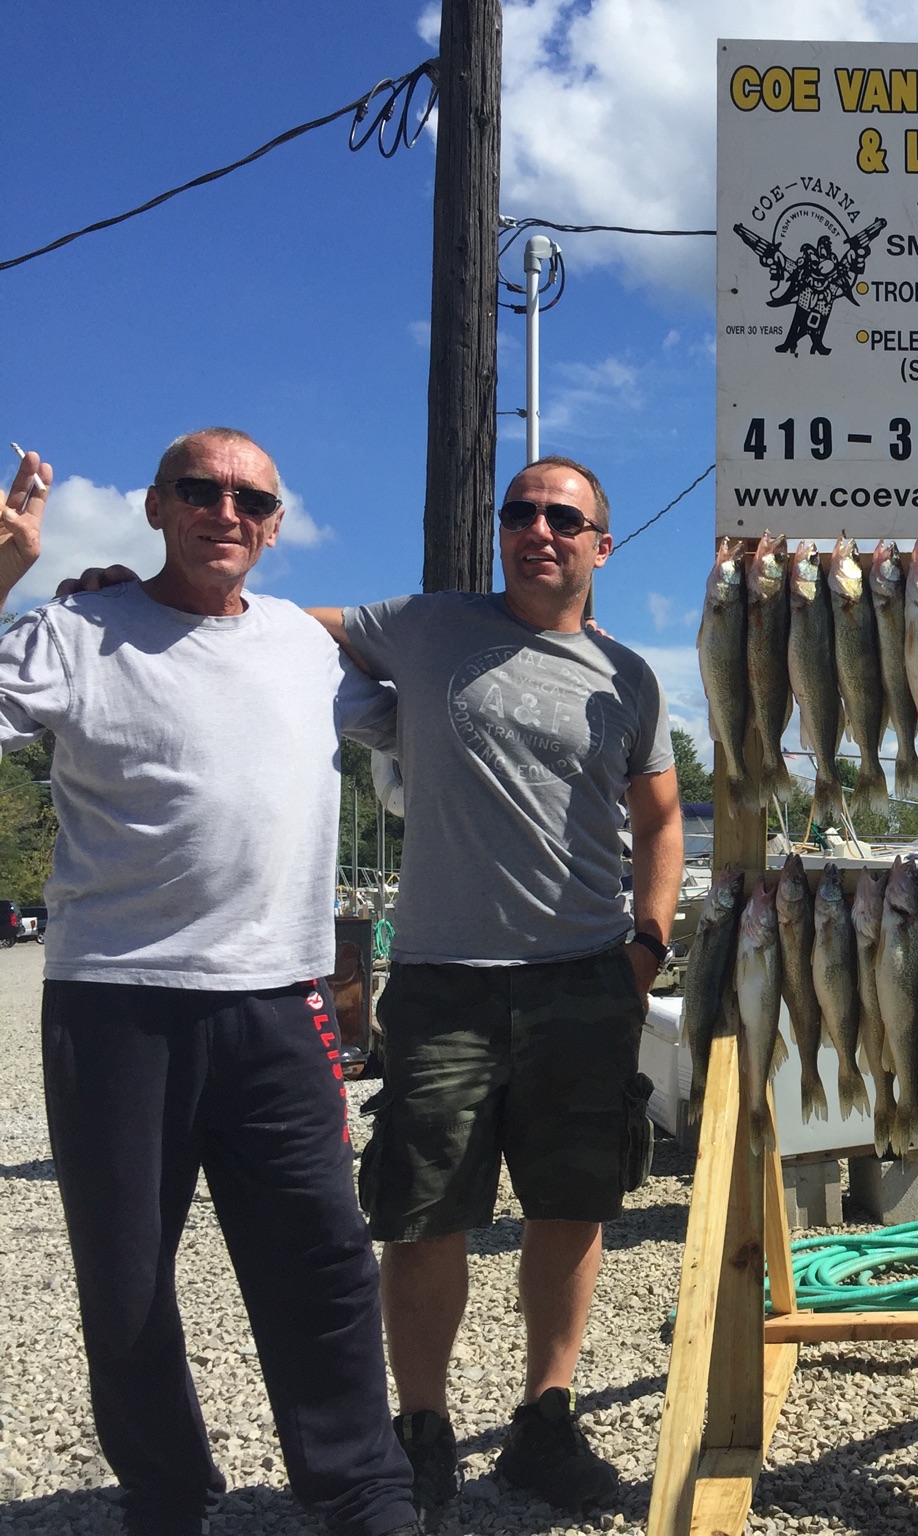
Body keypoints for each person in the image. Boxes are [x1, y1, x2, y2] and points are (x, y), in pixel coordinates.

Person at [1, 435, 415, 1536]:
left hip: (282, 1005)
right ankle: (167, 1496)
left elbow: (433, 724)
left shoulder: (302, 647)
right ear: (154, 507)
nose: (224, 509)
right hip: (115, 1005)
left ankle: (361, 1491)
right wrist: (4, 572)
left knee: (324, 1262)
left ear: (275, 523)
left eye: (250, 497)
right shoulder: (75, 631)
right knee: (126, 1282)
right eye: (200, 489)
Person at [309, 454, 682, 1516]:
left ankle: (543, 1423)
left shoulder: (629, 677)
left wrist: (644, 947)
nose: (537, 529)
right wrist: (140, 591)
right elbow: (283, 624)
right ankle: (419, 1432)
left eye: (562, 517)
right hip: (442, 981)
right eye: (520, 512)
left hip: (582, 978)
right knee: (423, 1214)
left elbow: (659, 821)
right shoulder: (426, 626)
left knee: (571, 1208)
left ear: (599, 546)